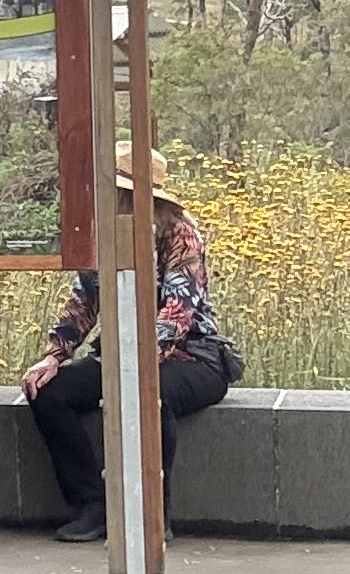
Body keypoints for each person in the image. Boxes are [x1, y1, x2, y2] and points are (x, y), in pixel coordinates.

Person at [21, 142, 235, 541]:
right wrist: (54, 356)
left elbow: (177, 314)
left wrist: (133, 365)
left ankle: (154, 514)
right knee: (49, 393)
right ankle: (93, 504)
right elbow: (84, 301)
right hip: (123, 352)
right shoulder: (104, 234)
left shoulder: (179, 235)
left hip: (192, 355)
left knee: (150, 394)